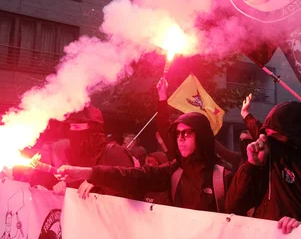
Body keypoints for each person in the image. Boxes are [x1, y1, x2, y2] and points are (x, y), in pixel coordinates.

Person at [57, 78, 233, 213]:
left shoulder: (223, 179)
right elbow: (131, 177)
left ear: (201, 138)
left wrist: (253, 167)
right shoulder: (173, 172)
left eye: (187, 133)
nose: (180, 139)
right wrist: (90, 173)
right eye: (177, 134)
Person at [226, 101, 301, 228]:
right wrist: (251, 165)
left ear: (294, 137)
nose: (266, 139)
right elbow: (232, 207)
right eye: (266, 133)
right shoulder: (265, 159)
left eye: (275, 135)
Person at [52, 103, 134, 196]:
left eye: (77, 127)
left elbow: (131, 185)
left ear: (93, 128)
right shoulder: (76, 156)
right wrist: (65, 186)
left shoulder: (114, 152)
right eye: (71, 127)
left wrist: (99, 181)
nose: (72, 132)